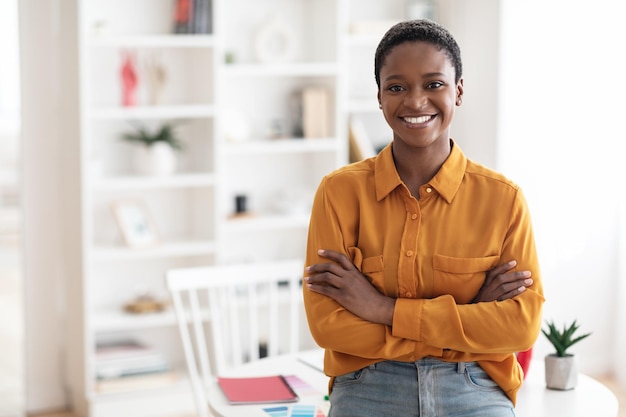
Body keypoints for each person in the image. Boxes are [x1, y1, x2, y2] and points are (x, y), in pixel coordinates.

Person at [303, 19, 544, 417]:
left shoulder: (504, 200)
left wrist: (382, 309)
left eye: (434, 84)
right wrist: (467, 322)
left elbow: (520, 327)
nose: (415, 102)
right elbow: (328, 325)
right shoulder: (338, 193)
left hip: (473, 385)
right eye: (397, 87)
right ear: (379, 97)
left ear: (459, 91)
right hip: (368, 386)